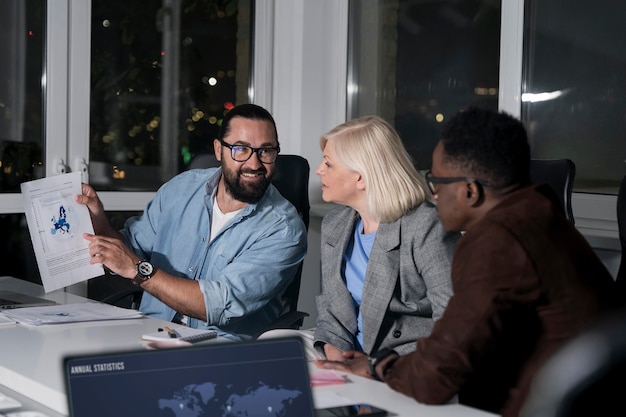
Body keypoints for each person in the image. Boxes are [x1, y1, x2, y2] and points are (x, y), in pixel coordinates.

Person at [315, 107, 619, 417]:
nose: (431, 196)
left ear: (469, 191)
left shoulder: (496, 242)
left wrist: (378, 366)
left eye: (437, 183)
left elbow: (441, 370)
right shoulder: (538, 213)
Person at [77, 103, 307, 340]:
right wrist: (98, 221)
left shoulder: (284, 230)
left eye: (266, 151)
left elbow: (217, 305)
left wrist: (138, 270)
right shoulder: (181, 188)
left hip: (221, 353)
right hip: (149, 334)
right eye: (241, 149)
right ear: (219, 150)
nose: (254, 163)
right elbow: (130, 249)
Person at [261, 116, 457, 360]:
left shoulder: (426, 227)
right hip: (348, 349)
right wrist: (336, 358)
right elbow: (333, 311)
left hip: (401, 357)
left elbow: (453, 324)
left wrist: (377, 366)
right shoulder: (336, 224)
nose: (319, 170)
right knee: (270, 345)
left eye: (329, 164)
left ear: (361, 177)